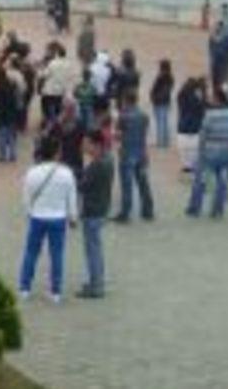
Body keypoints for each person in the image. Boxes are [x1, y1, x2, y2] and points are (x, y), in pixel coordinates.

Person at [17, 137, 78, 304]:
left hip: (37, 216)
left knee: (31, 252)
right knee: (57, 254)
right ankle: (56, 291)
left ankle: (25, 287)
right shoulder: (66, 173)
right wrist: (73, 216)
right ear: (57, 153)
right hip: (58, 217)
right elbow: (71, 197)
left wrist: (29, 212)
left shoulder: (32, 173)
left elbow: (26, 197)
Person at [186, 89, 228, 219]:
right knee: (222, 182)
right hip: (225, 150)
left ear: (217, 99)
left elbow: (203, 133)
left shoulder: (210, 115)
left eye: (212, 98)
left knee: (201, 179)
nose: (210, 100)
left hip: (209, 151)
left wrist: (200, 150)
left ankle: (195, 208)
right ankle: (218, 210)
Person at [76, 130, 113, 299]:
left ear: (96, 144)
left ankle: (96, 285)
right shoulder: (107, 159)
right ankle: (96, 281)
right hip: (101, 208)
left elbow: (83, 186)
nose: (83, 146)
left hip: (93, 210)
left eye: (86, 143)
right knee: (95, 248)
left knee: (92, 250)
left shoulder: (98, 164)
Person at [112, 92, 153, 223]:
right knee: (143, 182)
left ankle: (125, 212)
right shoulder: (144, 116)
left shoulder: (123, 116)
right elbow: (144, 134)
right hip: (141, 152)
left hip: (127, 152)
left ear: (125, 100)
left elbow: (117, 135)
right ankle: (148, 210)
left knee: (127, 184)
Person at [39, 42, 74, 125]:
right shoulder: (68, 64)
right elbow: (69, 78)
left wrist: (40, 72)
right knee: (58, 107)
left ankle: (51, 122)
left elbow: (45, 74)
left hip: (49, 90)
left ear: (57, 54)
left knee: (47, 107)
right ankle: (56, 122)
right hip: (60, 91)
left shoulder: (53, 63)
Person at [176, 77, 206, 175]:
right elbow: (202, 111)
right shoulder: (197, 99)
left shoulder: (181, 96)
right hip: (195, 127)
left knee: (185, 151)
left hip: (183, 127)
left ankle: (186, 166)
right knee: (194, 150)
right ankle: (192, 166)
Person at [0, 64, 22, 163]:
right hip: (11, 113)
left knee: (1, 135)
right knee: (11, 135)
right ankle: (12, 154)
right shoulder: (11, 85)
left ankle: (2, 155)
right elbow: (15, 99)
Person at [149, 59, 174, 149]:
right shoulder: (171, 78)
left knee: (160, 123)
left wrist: (153, 97)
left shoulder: (160, 77)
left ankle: (160, 142)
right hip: (166, 101)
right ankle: (165, 142)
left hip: (158, 102)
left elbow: (154, 88)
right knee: (165, 122)